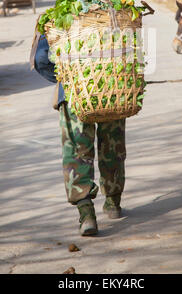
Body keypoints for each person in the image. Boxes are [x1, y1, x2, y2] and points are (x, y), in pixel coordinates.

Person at [31, 31, 126, 237]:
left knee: (77, 152)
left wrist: (66, 77)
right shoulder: (116, 13)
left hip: (74, 93)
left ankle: (86, 213)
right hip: (111, 89)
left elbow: (40, 60)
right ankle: (113, 202)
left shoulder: (56, 18)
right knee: (112, 145)